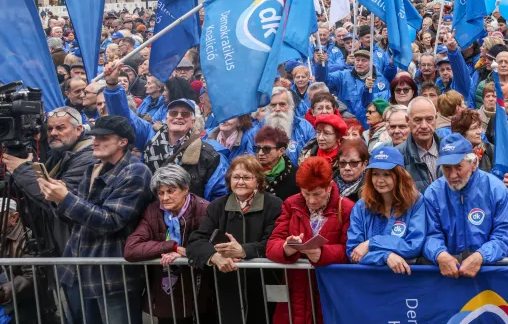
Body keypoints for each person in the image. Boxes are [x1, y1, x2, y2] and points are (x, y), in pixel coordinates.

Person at [39, 116, 154, 324]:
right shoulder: (93, 166)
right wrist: (57, 198)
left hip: (112, 271)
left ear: (123, 142)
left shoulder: (136, 171)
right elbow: (76, 217)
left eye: (104, 137)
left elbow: (111, 220)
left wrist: (66, 199)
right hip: (81, 267)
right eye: (95, 136)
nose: (96, 141)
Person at [187, 156, 284, 324]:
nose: (240, 182)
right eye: (236, 177)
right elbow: (195, 242)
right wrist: (214, 256)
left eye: (246, 177)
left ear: (258, 180)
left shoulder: (274, 205)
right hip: (230, 292)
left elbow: (275, 240)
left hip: (266, 289)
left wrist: (244, 250)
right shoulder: (217, 207)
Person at [267, 158, 351, 324]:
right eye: (306, 194)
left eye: (317, 194)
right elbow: (272, 244)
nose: (311, 201)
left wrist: (322, 254)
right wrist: (286, 248)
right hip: (301, 290)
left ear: (329, 186)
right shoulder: (292, 204)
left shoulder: (346, 208)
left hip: (332, 292)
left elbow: (351, 249)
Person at [123, 165, 209, 324]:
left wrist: (185, 252)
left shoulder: (205, 209)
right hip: (167, 292)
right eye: (160, 193)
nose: (165, 197)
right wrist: (171, 245)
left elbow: (210, 246)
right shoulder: (153, 211)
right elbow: (131, 249)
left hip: (202, 288)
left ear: (186, 188)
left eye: (171, 191)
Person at [103, 62, 228, 199]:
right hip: (152, 212)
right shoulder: (150, 135)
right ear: (166, 117)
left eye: (185, 114)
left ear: (194, 121)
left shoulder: (208, 151)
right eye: (174, 113)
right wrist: (112, 86)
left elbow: (219, 193)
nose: (178, 117)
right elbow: (124, 119)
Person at [4, 106, 94, 256]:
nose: (53, 133)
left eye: (60, 128)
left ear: (78, 129)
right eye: (50, 128)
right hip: (58, 241)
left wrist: (21, 169)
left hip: (77, 246)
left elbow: (50, 196)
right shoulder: (60, 153)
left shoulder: (88, 156)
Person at [422, 134, 508, 278]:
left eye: (458, 167)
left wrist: (481, 256)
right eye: (447, 168)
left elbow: (504, 234)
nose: (453, 175)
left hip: (487, 272)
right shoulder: (433, 193)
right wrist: (439, 254)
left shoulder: (495, 189)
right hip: (447, 273)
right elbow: (430, 234)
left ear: (473, 164)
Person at [347, 146, 427, 273]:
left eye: (387, 174)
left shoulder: (415, 202)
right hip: (372, 282)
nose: (380, 180)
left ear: (399, 175)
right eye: (375, 174)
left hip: (407, 280)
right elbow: (354, 252)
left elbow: (414, 245)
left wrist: (371, 243)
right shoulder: (361, 206)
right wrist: (385, 256)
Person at [401, 96, 441, 192]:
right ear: (407, 121)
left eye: (429, 119)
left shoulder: (450, 149)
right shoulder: (399, 156)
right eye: (418, 120)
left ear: (436, 118)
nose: (424, 126)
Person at [254, 125, 300, 202]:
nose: (260, 153)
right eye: (258, 148)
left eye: (266, 149)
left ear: (281, 151)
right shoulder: (250, 172)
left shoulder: (296, 175)